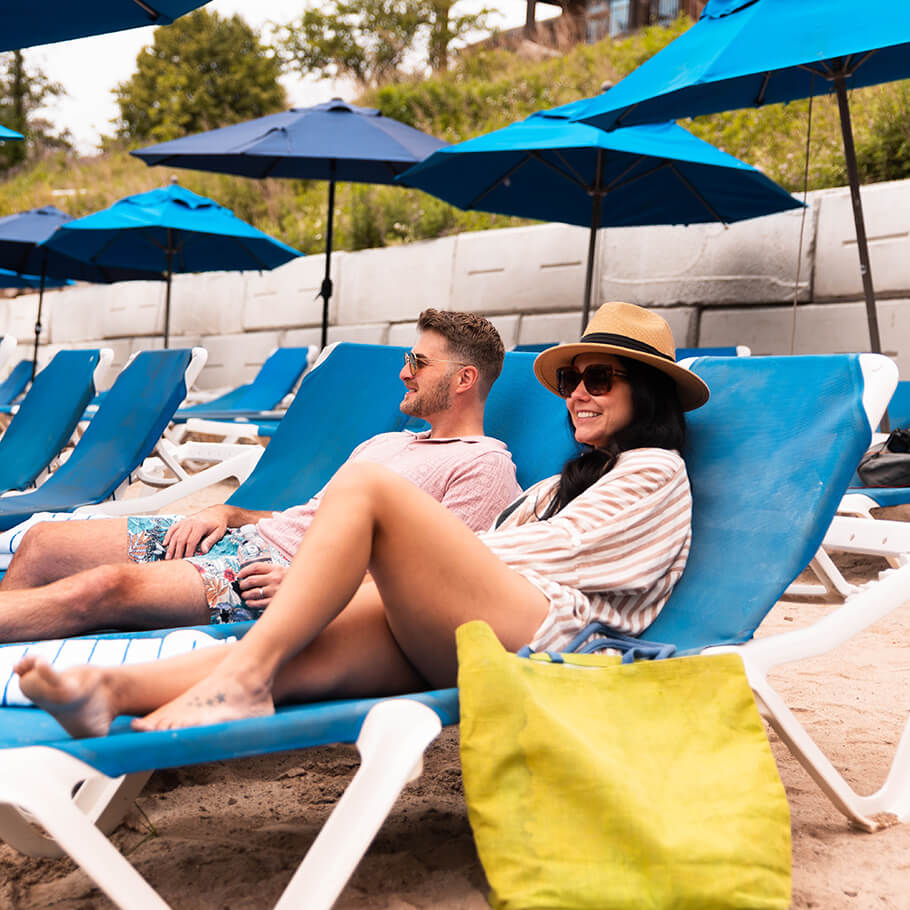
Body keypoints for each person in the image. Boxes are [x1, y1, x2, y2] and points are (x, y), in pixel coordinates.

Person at [16, 301, 711, 738]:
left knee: (367, 493)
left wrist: (353, 575)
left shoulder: (655, 470)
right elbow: (487, 557)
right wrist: (343, 587)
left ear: (644, 391)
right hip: (478, 634)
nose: (579, 394)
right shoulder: (557, 485)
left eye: (600, 380)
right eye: (572, 380)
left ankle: (243, 681)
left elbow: (535, 559)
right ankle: (111, 691)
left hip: (552, 643)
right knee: (298, 657)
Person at [0, 309, 521, 642]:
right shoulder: (389, 441)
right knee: (44, 542)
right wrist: (227, 511)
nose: (404, 371)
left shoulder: (484, 466)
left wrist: (314, 584)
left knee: (103, 589)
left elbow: (442, 580)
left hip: (270, 580)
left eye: (419, 362)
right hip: (242, 537)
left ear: (464, 379)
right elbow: (309, 516)